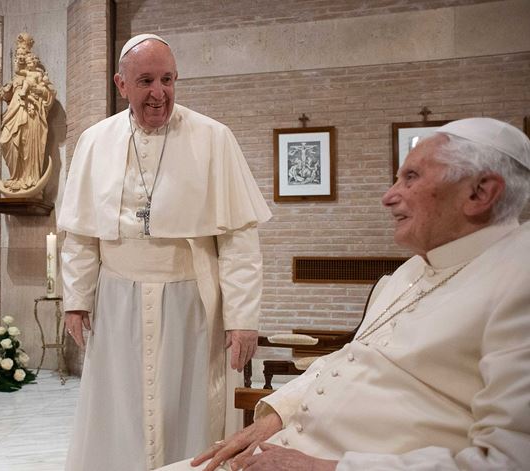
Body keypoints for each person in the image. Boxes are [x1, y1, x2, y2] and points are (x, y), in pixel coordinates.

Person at [184, 117, 530, 471]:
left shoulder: (519, 281)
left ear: (480, 192)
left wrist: (324, 468)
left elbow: (507, 461)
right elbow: (349, 358)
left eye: (411, 178)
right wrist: (274, 416)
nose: (389, 196)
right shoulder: (411, 270)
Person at [57, 34, 272, 470]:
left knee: (188, 409)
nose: (159, 94)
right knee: (119, 411)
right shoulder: (94, 142)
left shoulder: (214, 138)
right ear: (121, 84)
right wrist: (76, 300)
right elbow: (81, 235)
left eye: (168, 79)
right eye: (146, 81)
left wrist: (243, 318)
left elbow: (238, 240)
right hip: (116, 303)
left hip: (191, 303)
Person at [0, 34, 56, 192]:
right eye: (18, 56)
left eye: (22, 56)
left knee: (27, 146)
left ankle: (28, 179)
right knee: (5, 141)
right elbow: (3, 95)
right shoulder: (15, 79)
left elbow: (49, 96)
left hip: (30, 116)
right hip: (13, 115)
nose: (19, 59)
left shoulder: (38, 76)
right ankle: (15, 177)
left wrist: (34, 89)